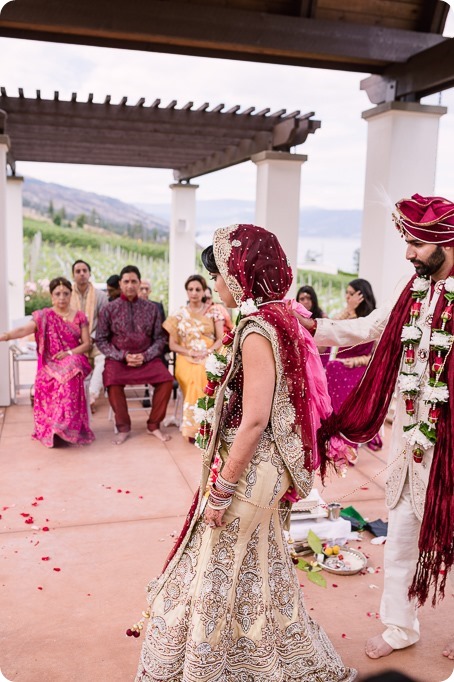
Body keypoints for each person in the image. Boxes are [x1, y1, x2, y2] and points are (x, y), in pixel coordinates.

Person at [132, 224, 355, 682]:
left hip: (255, 468)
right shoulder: (282, 317)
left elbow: (254, 418)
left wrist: (221, 487)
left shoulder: (256, 330)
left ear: (240, 273)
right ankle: (275, 659)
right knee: (260, 562)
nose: (215, 285)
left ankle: (207, 668)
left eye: (218, 276)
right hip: (272, 467)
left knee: (216, 562)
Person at [301, 195, 454, 661]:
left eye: (416, 244)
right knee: (403, 532)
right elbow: (372, 327)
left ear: (446, 241)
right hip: (412, 441)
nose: (408, 253)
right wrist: (310, 328)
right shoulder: (414, 288)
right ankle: (399, 626)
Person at [0, 277, 94, 448]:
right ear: (51, 297)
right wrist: (5, 336)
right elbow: (23, 330)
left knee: (69, 372)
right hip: (51, 361)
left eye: (65, 293)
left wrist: (69, 352)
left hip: (76, 357)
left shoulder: (80, 317)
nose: (62, 297)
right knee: (47, 378)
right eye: (57, 294)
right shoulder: (44, 316)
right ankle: (53, 427)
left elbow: (87, 344)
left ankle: (65, 425)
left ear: (70, 295)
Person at [96, 265, 173, 445]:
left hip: (147, 359)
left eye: (133, 281)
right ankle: (123, 427)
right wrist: (123, 356)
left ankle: (153, 425)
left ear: (139, 283)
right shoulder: (109, 309)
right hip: (119, 359)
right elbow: (101, 340)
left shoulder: (151, 309)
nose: (130, 285)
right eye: (126, 282)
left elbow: (160, 338)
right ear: (120, 284)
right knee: (112, 381)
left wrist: (145, 355)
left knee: (166, 380)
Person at [163, 275, 224, 441]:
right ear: (186, 291)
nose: (194, 293)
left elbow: (221, 339)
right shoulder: (179, 314)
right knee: (194, 374)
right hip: (185, 356)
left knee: (204, 370)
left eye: (198, 289)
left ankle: (204, 425)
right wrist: (189, 352)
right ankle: (195, 427)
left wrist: (208, 351)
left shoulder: (214, 311)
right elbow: (172, 345)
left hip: (208, 354)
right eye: (190, 289)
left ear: (204, 291)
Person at [325, 279, 383, 454]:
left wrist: (356, 361)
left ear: (362, 296)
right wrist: (349, 310)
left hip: (359, 368)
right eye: (347, 293)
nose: (347, 297)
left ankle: (349, 439)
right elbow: (329, 330)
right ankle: (333, 437)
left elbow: (376, 355)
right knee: (333, 367)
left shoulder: (373, 321)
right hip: (338, 367)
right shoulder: (346, 316)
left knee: (344, 378)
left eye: (352, 294)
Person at [71, 260, 108, 411]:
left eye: (84, 270)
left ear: (89, 274)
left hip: (95, 340)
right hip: (74, 342)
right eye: (78, 271)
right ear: (73, 275)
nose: (81, 274)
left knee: (104, 359)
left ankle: (91, 395)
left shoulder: (100, 296)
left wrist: (91, 337)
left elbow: (105, 322)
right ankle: (78, 398)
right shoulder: (67, 295)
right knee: (72, 362)